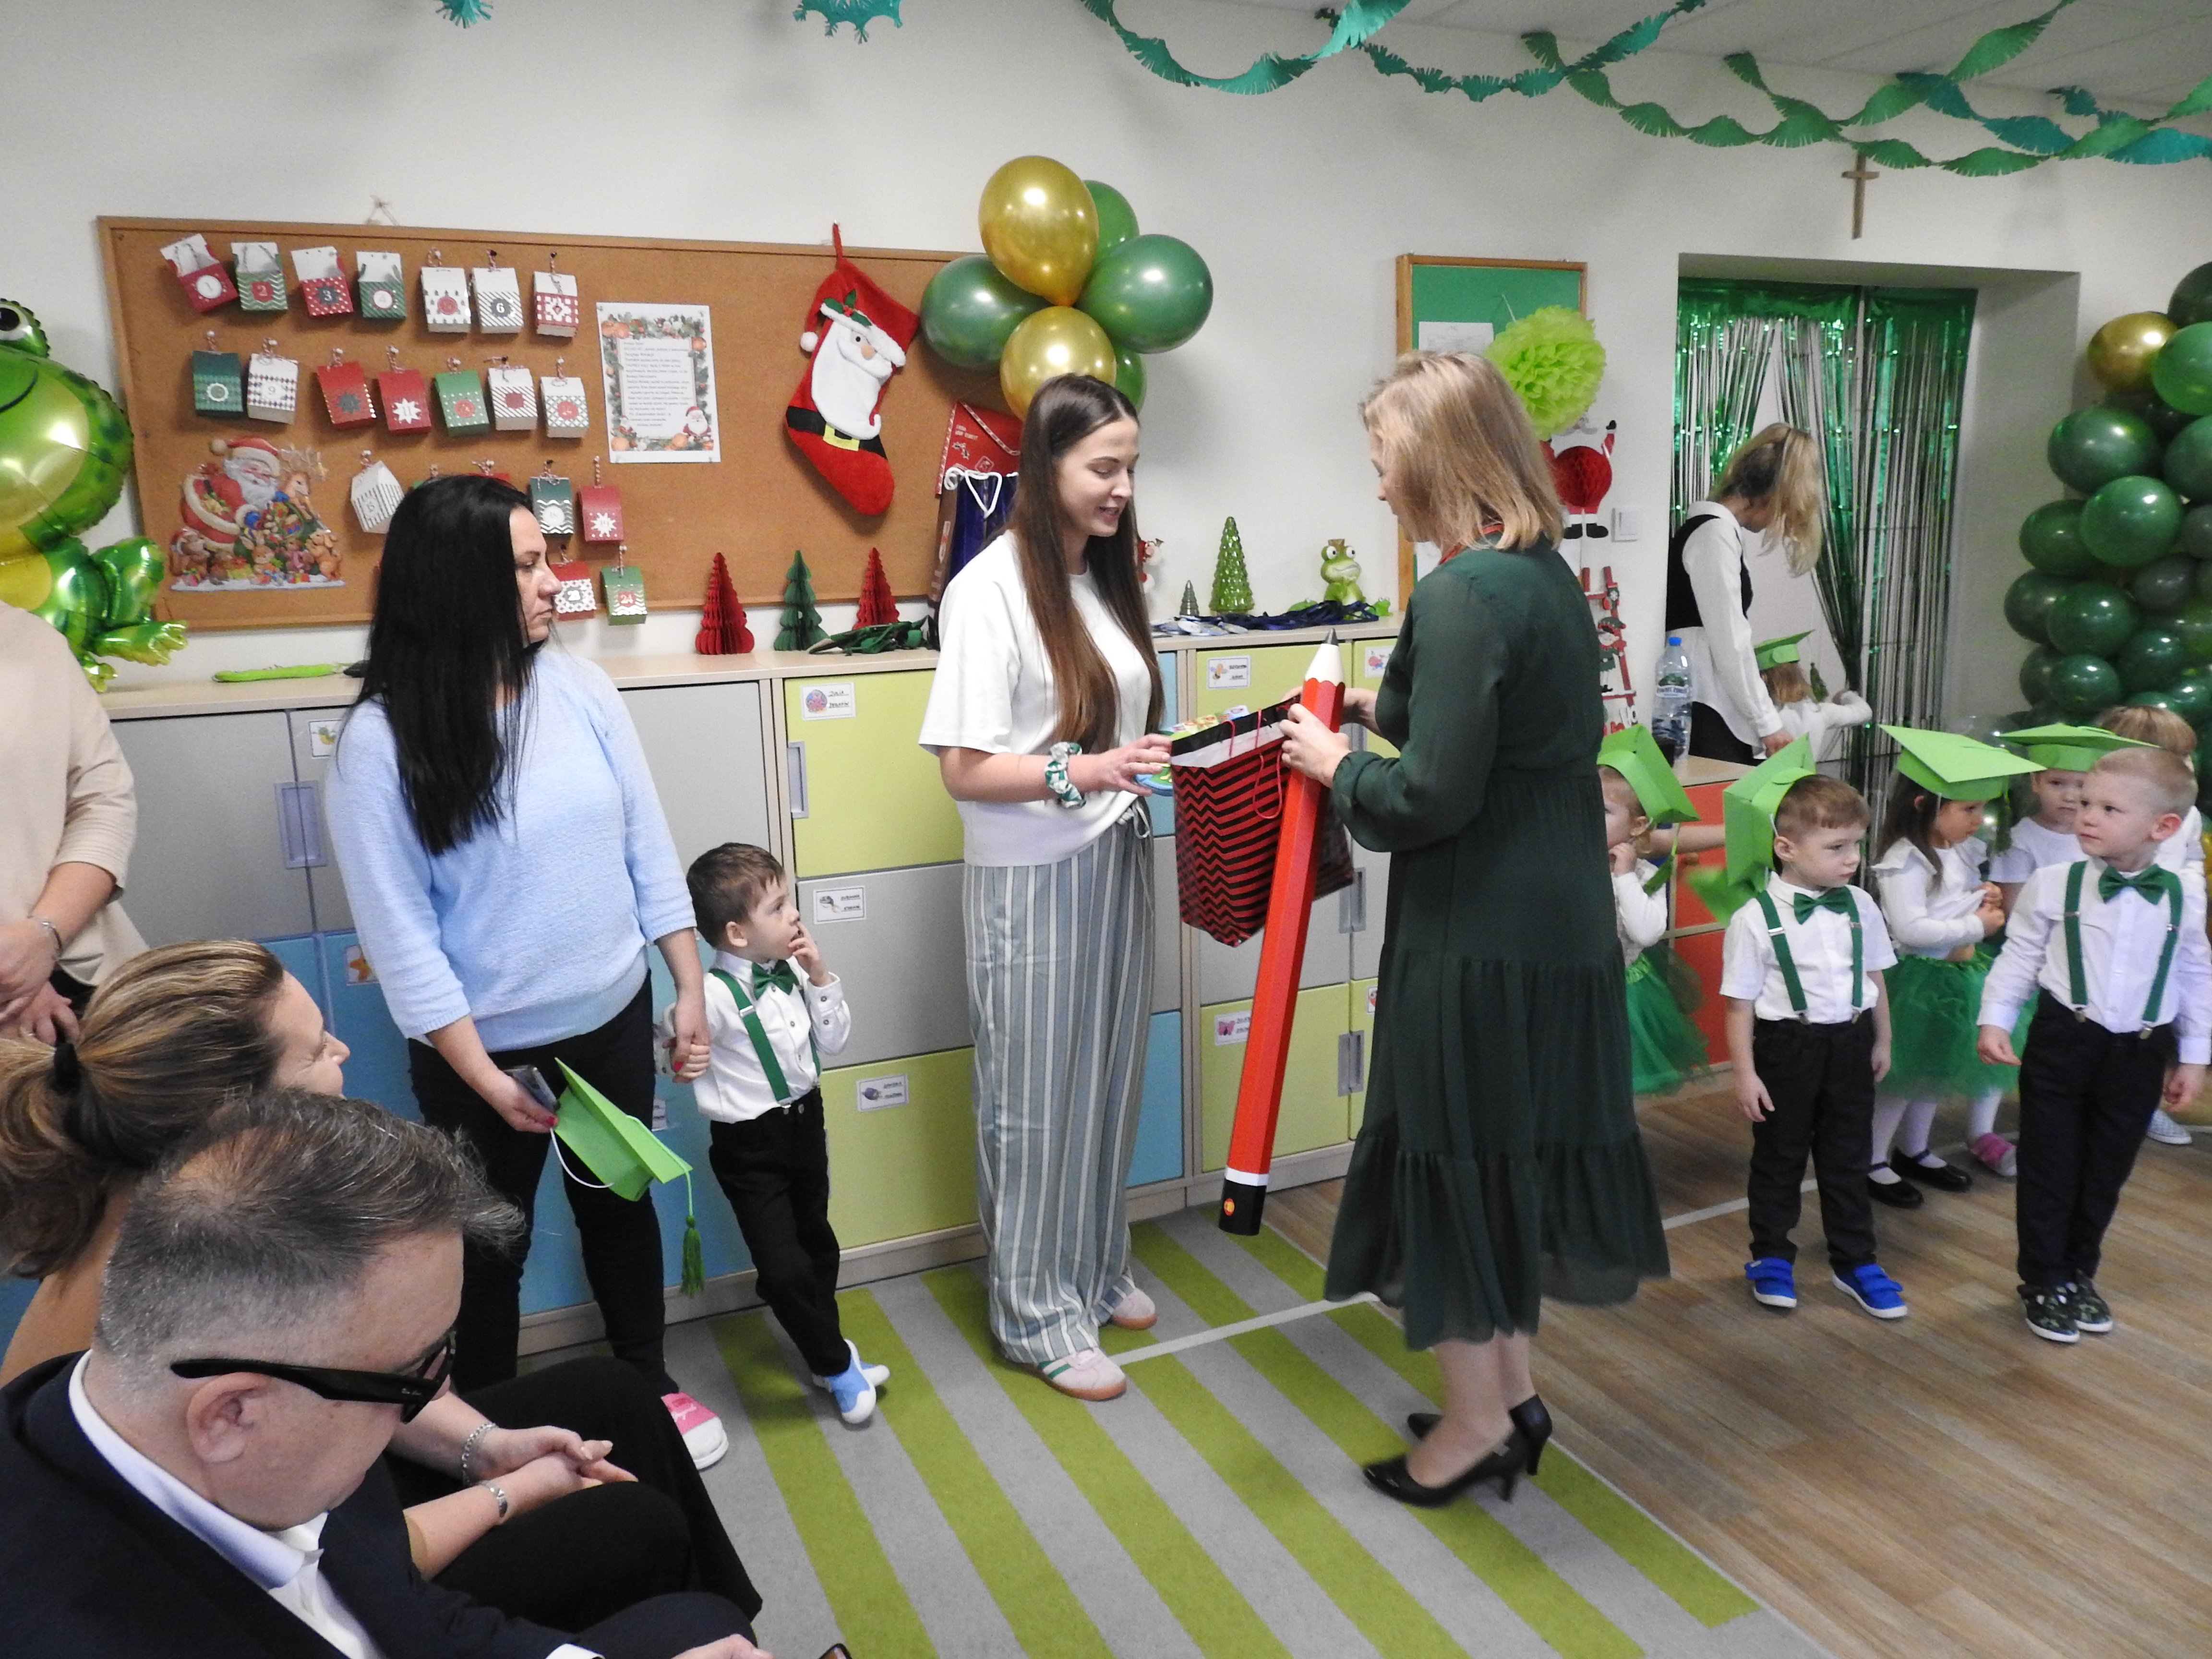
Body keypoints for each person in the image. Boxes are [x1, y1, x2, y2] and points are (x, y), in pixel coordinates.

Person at [0, 938, 757, 1628]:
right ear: (240, 1111)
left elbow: (359, 1381)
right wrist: (508, 1492)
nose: (343, 1050)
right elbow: (312, 1570)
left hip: (317, 1498)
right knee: (630, 1525)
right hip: (295, 1572)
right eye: (315, 1050)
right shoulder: (159, 1297)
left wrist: (486, 1446)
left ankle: (730, 1634)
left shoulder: (212, 1212)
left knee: (610, 1393)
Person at [1279, 351, 1668, 1507]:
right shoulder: (1537, 570)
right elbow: (1497, 724)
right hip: (1553, 916)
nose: (1377, 483)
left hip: (1478, 921)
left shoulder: (1458, 592)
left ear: (1436, 457)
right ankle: (1514, 1394)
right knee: (1500, 1158)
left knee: (1448, 1158)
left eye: (1383, 457)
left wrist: (1336, 763)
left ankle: (1475, 1422)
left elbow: (1428, 798)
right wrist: (1374, 706)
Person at [326, 475, 723, 1463]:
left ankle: (647, 1383)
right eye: (528, 566)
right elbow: (402, 935)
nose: (554, 583)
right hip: (485, 1055)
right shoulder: (380, 741)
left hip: (611, 1015)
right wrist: (480, 1075)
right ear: (458, 586)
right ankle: (496, 1435)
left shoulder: (579, 688)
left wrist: (687, 983)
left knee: (619, 1211)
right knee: (487, 1249)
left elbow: (645, 843)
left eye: (548, 559)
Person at [918, 374, 1172, 1403]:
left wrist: (1146, 761)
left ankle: (1092, 1269)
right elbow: (965, 767)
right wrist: (1089, 769)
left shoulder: (1100, 577)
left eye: (1130, 467)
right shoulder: (990, 589)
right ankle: (1032, 1313)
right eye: (1103, 467)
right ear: (1047, 464)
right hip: (1032, 880)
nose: (1121, 488)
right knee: (1032, 1102)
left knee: (1105, 1082)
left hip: (1115, 856)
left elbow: (1117, 723)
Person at [1978, 746, 2209, 1343]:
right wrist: (1996, 1018)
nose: (2087, 816)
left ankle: (2078, 1273)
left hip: (2141, 1050)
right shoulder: (2054, 883)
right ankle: (2042, 1280)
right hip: (2064, 1041)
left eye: (2109, 809)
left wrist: (2194, 1055)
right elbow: (2021, 955)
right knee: (2049, 1165)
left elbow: (2193, 971)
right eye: (2085, 803)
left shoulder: (2184, 893)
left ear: (2163, 827)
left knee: (2107, 1170)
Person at [671, 842, 889, 1426]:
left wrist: (819, 975)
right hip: (750, 1146)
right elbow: (677, 1037)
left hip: (806, 1124)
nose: (794, 914)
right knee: (784, 1269)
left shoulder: (791, 972)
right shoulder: (713, 995)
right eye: (778, 907)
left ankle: (825, 1356)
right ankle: (838, 1365)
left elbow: (835, 1041)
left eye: (789, 901)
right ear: (737, 934)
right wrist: (681, 1055)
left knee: (818, 1246)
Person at [1720, 770, 1906, 1318]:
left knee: (1849, 1155)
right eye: (1836, 847)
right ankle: (1771, 1256)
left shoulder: (1862, 905)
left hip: (1850, 1041)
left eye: (1856, 845)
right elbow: (1739, 1005)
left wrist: (1882, 1039)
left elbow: (1875, 977)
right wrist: (1745, 1074)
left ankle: (1856, 1261)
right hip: (1787, 1047)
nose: (1852, 859)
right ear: (1786, 848)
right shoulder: (1754, 920)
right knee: (1779, 1156)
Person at [1865, 725, 2037, 1211]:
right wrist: (1977, 925)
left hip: (1958, 977)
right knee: (1903, 1079)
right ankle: (1871, 1160)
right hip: (1918, 979)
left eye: (1981, 809)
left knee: (1934, 1072)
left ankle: (1915, 1149)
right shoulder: (1906, 861)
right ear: (1925, 804)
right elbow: (1911, 928)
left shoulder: (1957, 849)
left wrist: (1981, 896)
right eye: (1968, 809)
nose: (1978, 820)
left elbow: (1951, 902)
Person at [1984, 722, 2156, 1175]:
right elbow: (2018, 913)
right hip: (2047, 967)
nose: (2071, 798)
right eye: (2059, 783)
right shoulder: (2023, 840)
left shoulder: (2106, 841)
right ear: (2035, 782)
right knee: (2021, 1059)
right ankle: (1987, 1131)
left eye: (2082, 789)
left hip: (2095, 971)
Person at [0, 601, 144, 1043]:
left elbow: (104, 802)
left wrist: (43, 936)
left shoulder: (33, 640)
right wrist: (11, 977)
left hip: (79, 963)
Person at [1664, 424, 1826, 763]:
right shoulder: (1714, 535)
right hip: (1704, 703)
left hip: (1701, 699)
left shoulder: (1713, 531)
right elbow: (1730, 641)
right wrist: (1768, 724)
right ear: (1772, 496)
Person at [2096, 703, 2206, 1147]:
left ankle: (2143, 1106)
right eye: (2175, 759)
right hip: (2111, 931)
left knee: (2154, 1019)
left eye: (2187, 758)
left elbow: (2191, 858)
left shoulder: (2187, 816)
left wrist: (2189, 896)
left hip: (2163, 928)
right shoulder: (2108, 817)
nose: (2188, 767)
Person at [1597, 724, 1712, 1096]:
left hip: (1621, 993)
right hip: (1571, 988)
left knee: (1617, 1080)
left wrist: (1624, 877)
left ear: (1638, 826)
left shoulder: (1644, 874)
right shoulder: (1568, 861)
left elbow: (1646, 933)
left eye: (1602, 811)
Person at [1754, 630, 1871, 757]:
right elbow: (1864, 712)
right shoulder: (1819, 711)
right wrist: (1845, 695)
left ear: (1762, 679)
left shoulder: (1759, 716)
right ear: (1800, 673)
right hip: (1807, 770)